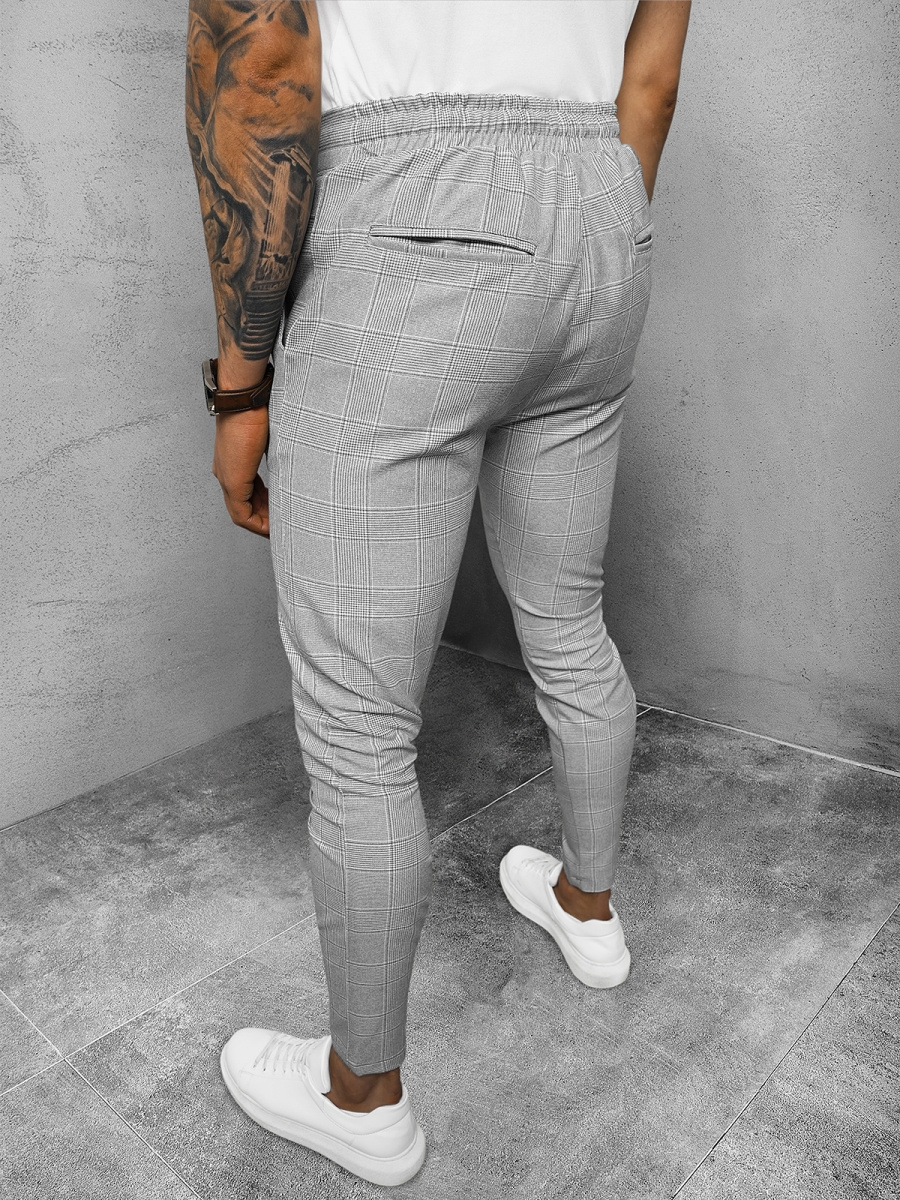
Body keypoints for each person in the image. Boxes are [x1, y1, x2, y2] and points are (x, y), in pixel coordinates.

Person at [186, 0, 691, 1186]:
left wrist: (241, 387)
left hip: (412, 226)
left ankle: (361, 1096)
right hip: (601, 213)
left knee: (361, 728)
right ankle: (588, 908)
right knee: (569, 614)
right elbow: (653, 82)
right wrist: (587, 220)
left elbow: (259, 69)